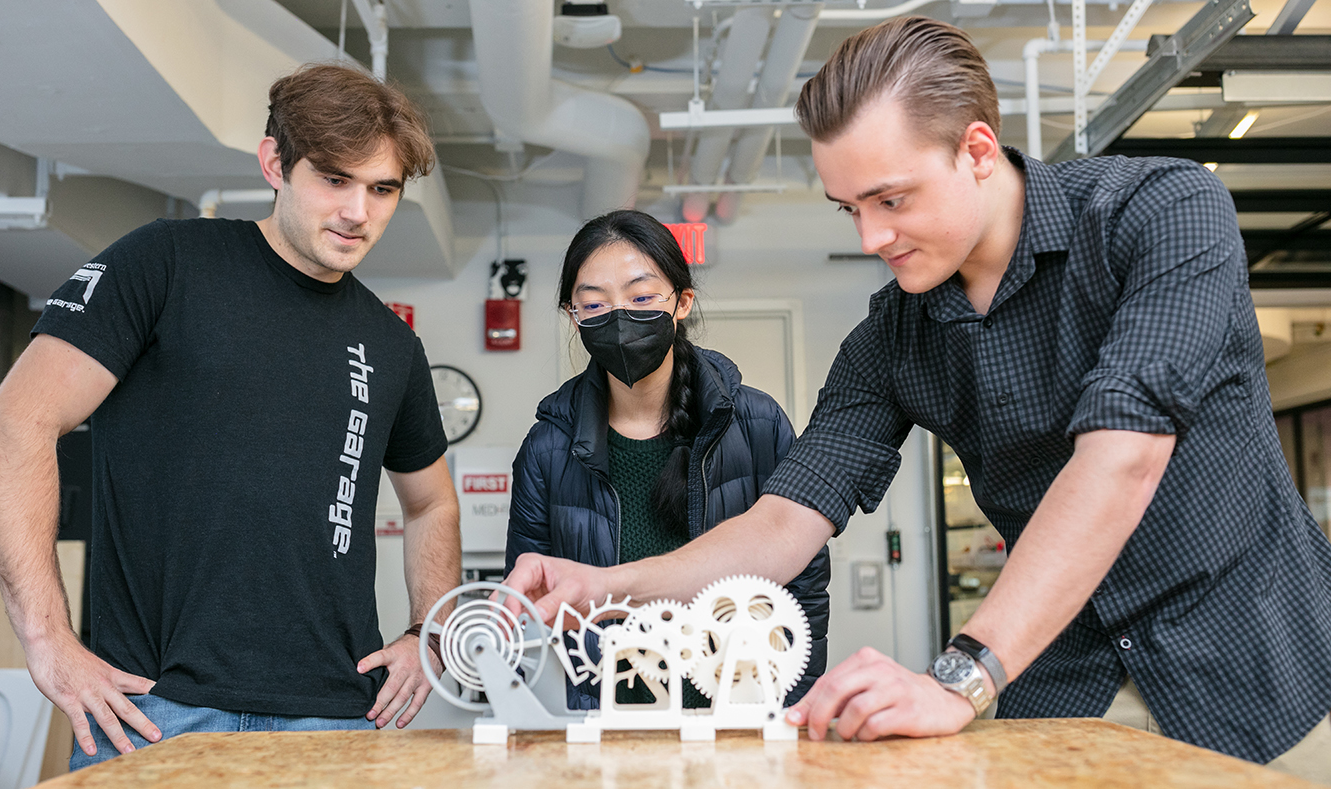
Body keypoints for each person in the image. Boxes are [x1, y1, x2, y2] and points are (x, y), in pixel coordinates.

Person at [504, 18, 1331, 782]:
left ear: (976, 149)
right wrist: (604, 584)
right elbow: (782, 521)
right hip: (1065, 684)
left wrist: (963, 672)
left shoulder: (1161, 214)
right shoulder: (892, 336)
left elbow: (1122, 458)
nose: (869, 238)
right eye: (849, 208)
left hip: (1263, 669)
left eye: (891, 199)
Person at [0, 63, 462, 769]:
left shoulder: (390, 343)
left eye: (382, 188)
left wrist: (430, 631)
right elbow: (13, 430)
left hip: (333, 718)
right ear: (275, 164)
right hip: (154, 710)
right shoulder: (165, 264)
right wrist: (48, 642)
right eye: (334, 179)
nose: (359, 211)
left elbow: (432, 503)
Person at [505, 210, 830, 710]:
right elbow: (531, 599)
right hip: (601, 718)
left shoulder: (755, 423)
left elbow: (803, 582)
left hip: (736, 711)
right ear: (573, 315)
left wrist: (789, 703)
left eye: (640, 298)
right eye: (593, 303)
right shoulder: (548, 449)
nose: (618, 318)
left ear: (681, 303)